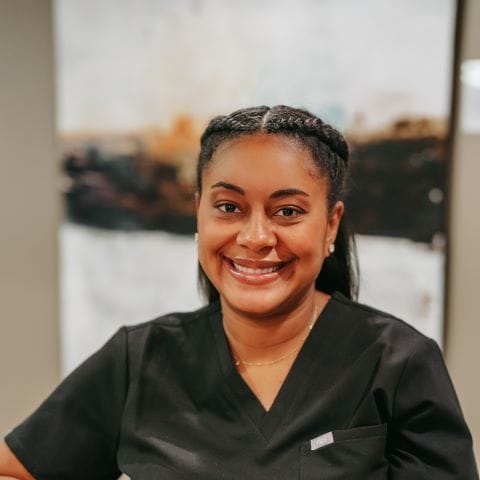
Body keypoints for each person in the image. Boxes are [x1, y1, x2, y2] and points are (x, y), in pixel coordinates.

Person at [0, 105, 477, 479]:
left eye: (287, 211)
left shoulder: (397, 363)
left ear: (330, 225)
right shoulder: (139, 359)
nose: (255, 237)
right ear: (199, 213)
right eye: (228, 206)